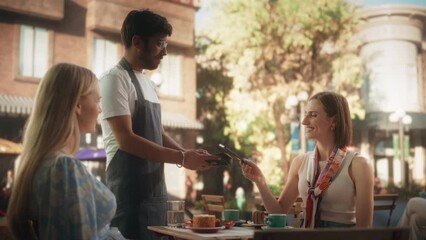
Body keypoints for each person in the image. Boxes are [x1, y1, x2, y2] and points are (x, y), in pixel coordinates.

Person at [99, 9, 218, 239]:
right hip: (128, 198)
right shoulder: (115, 79)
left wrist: (187, 153)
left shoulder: (149, 84)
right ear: (137, 42)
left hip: (156, 197)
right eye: (160, 43)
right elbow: (126, 140)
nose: (165, 52)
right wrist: (182, 159)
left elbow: (158, 133)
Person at [7, 63, 123, 239]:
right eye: (97, 101)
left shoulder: (37, 164)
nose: (100, 109)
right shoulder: (64, 168)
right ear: (77, 105)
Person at [241, 91, 374, 228]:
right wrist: (260, 181)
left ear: (333, 120)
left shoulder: (358, 165)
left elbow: (364, 228)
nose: (304, 122)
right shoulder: (300, 162)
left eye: (313, 115)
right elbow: (279, 211)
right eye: (305, 114)